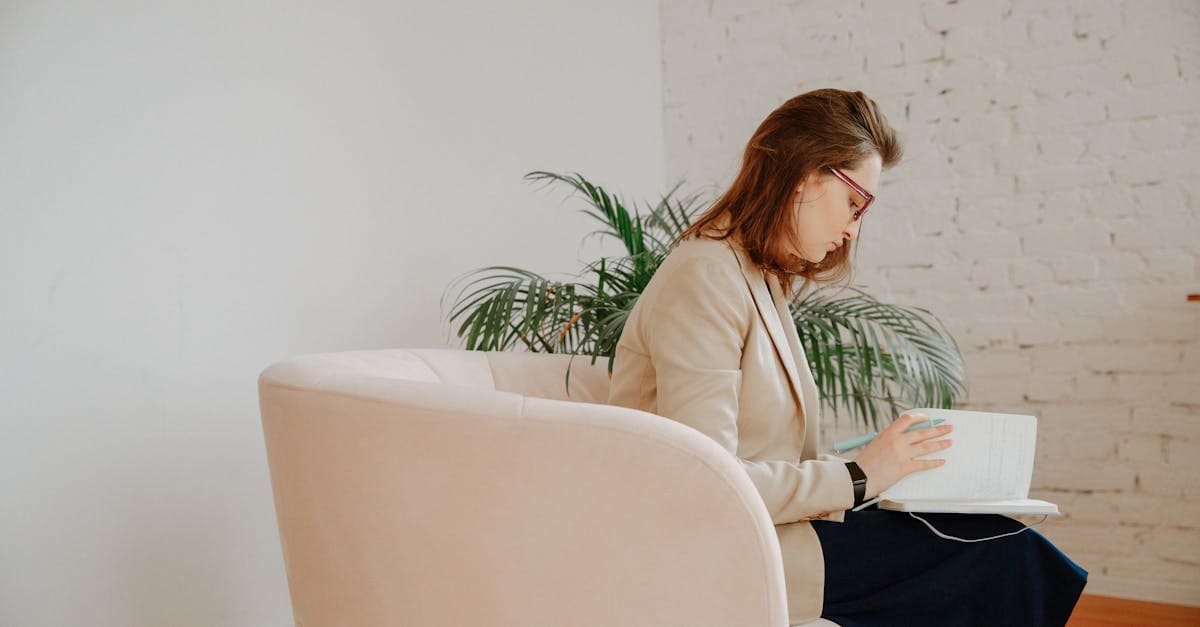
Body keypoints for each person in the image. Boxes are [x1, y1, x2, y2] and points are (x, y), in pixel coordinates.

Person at [605, 89, 1087, 626]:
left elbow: (760, 450)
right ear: (806, 174)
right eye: (854, 204)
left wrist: (882, 472)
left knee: (997, 537)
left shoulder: (756, 277)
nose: (852, 230)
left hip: (775, 530)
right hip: (723, 549)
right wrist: (860, 476)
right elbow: (708, 482)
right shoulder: (704, 275)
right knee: (1001, 556)